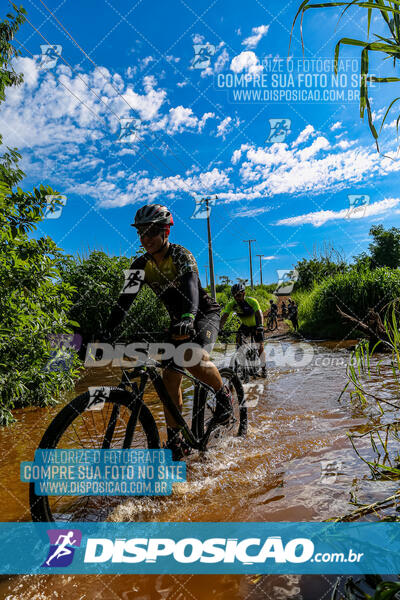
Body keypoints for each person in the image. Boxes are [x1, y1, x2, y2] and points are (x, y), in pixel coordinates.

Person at [103, 204, 233, 460]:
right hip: (178, 322)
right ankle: (176, 441)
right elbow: (124, 302)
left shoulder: (181, 255)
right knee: (169, 380)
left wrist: (188, 317)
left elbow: (192, 289)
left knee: (192, 359)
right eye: (141, 233)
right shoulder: (140, 264)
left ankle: (224, 397)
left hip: (202, 313)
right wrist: (106, 330)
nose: (145, 239)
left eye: (151, 232)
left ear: (166, 231)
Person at [219, 283, 266, 378]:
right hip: (245, 326)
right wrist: (219, 328)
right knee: (239, 340)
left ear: (244, 293)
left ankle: (264, 369)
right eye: (235, 296)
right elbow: (225, 316)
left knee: (260, 347)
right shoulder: (232, 305)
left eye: (239, 295)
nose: (237, 298)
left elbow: (259, 313)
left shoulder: (251, 301)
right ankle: (242, 361)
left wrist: (261, 326)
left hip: (256, 325)